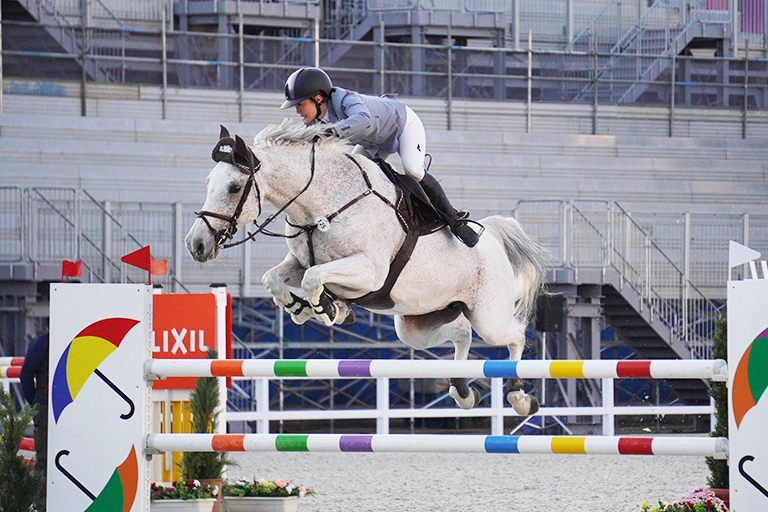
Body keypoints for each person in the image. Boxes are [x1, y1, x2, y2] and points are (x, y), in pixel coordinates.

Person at [281, 67, 480, 247]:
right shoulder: (314, 121)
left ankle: (455, 221)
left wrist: (330, 132)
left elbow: (363, 119)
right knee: (351, 176)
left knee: (413, 170)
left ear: (317, 98)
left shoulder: (345, 99)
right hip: (373, 141)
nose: (297, 111)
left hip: (403, 126)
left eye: (300, 104)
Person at [20, 331, 49, 509]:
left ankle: (42, 506)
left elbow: (26, 374)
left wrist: (35, 402)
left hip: (45, 404)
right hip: (58, 407)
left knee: (44, 461)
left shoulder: (43, 341)